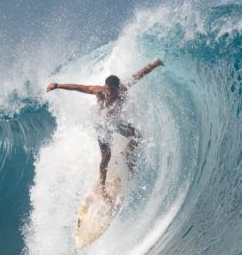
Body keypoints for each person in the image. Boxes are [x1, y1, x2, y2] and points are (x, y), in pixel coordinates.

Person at [46, 58, 163, 200]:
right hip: (102, 124)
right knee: (106, 156)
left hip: (115, 122)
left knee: (137, 136)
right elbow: (78, 87)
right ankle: (101, 189)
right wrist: (57, 85)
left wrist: (154, 64)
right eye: (106, 88)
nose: (108, 92)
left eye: (111, 90)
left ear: (117, 88)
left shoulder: (123, 90)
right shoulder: (99, 91)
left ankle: (126, 154)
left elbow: (140, 74)